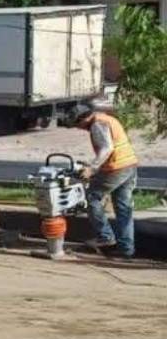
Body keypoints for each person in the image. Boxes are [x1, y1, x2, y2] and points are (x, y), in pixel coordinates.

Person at [71, 101, 139, 258]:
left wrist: (92, 168)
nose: (79, 128)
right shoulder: (106, 118)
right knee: (124, 208)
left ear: (84, 119)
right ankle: (126, 250)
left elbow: (107, 148)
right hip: (129, 164)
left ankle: (105, 237)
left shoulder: (97, 125)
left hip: (116, 168)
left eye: (77, 124)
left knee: (92, 197)